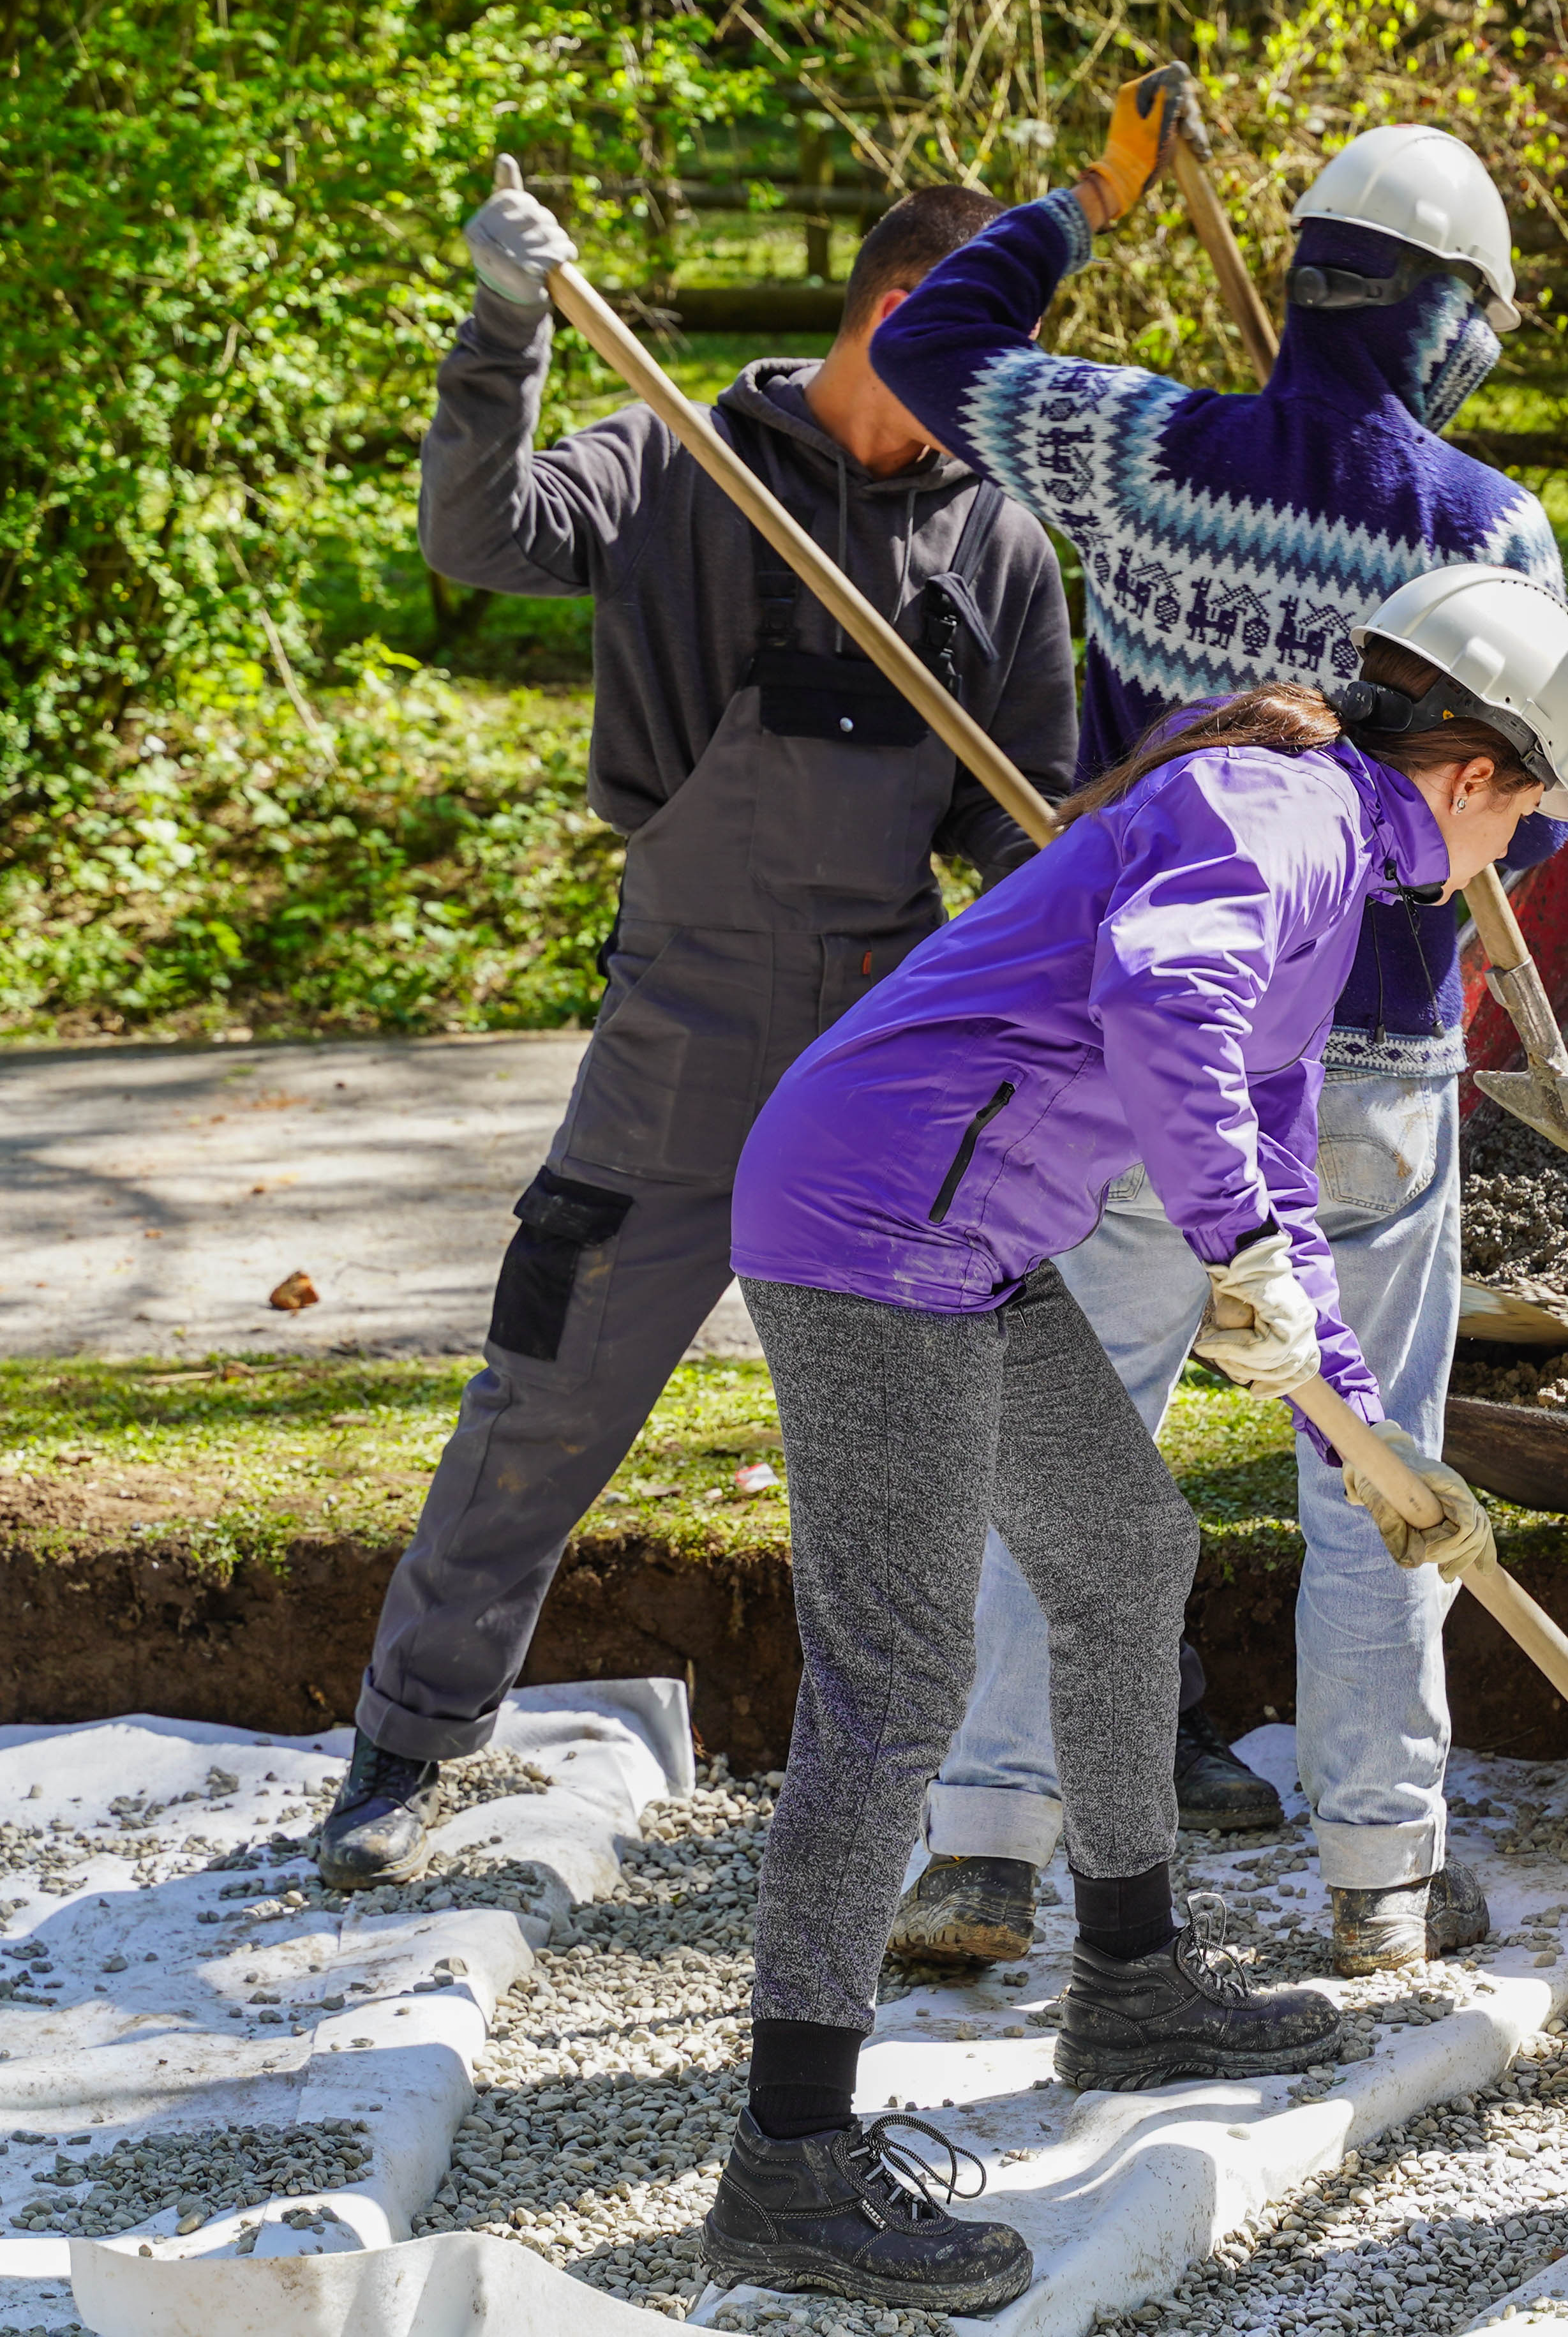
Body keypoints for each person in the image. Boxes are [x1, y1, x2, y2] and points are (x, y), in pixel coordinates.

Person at [697, 571, 1568, 2312]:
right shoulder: (1279, 816)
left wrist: (1367, 1438)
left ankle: (1130, 1979)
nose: (1511, 855)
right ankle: (785, 2162)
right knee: (896, 1679)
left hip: (975, 1234)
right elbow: (1167, 1005)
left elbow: (1275, 1163)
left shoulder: (1324, 869)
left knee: (1127, 1552)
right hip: (870, 1222)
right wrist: (1229, 1244)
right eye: (1525, 819)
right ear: (1477, 771)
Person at [858, 74, 1568, 1976]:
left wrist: (1084, 207)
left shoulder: (1139, 449)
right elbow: (1534, 814)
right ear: (1448, 315)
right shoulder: (1486, 529)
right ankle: (1381, 1879)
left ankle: (983, 1851)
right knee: (1372, 1467)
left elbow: (925, 344)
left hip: (1132, 1060)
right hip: (1374, 1064)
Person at [312, 171, 1080, 1888]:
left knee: (991, 1403)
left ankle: (1091, 1739)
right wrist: (503, 328)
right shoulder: (673, 458)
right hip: (680, 1026)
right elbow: (476, 536)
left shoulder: (1001, 546)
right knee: (546, 1382)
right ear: (899, 315)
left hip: (885, 1048)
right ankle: (407, 1740)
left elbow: (1018, 825)